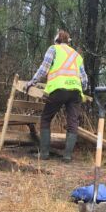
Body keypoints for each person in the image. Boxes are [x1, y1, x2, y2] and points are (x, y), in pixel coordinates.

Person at [24, 29, 89, 162]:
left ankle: (44, 154)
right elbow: (84, 79)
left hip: (58, 90)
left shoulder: (53, 49)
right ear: (68, 42)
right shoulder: (77, 55)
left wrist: (32, 82)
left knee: (46, 118)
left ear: (56, 41)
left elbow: (43, 69)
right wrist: (81, 90)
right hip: (75, 92)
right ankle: (67, 156)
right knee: (72, 123)